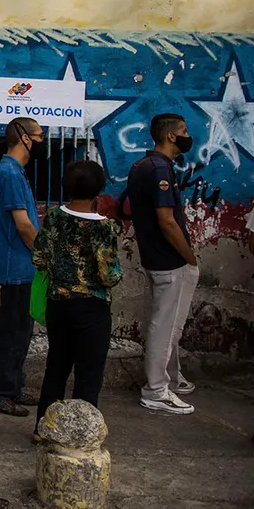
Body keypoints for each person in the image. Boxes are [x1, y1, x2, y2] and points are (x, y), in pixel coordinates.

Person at [31, 160, 123, 442]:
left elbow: (39, 257)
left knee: (56, 367)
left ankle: (43, 430)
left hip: (58, 304)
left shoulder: (55, 217)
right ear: (99, 190)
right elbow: (110, 275)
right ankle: (81, 435)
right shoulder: (104, 229)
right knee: (88, 372)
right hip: (91, 308)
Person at [124, 113, 199, 415]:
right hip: (169, 260)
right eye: (183, 130)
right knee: (165, 326)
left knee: (168, 324)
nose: (187, 134)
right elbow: (167, 222)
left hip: (157, 258)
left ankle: (172, 378)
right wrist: (189, 256)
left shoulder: (146, 164)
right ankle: (156, 390)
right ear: (171, 136)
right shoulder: (158, 169)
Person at [0, 117, 44, 416]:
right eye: (40, 136)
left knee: (20, 330)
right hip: (16, 265)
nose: (43, 142)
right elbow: (23, 225)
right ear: (24, 138)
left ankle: (12, 386)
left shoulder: (15, 171)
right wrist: (46, 255)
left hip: (22, 266)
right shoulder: (10, 173)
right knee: (12, 331)